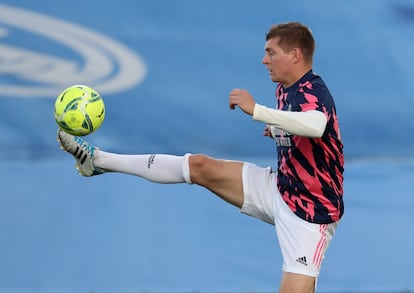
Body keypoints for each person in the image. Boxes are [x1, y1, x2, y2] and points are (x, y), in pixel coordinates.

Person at [57, 22, 344, 293]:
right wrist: (278, 126)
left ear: (295, 55)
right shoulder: (285, 88)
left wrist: (258, 111)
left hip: (310, 215)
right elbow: (301, 125)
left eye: (271, 52)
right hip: (280, 188)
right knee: (199, 166)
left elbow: (316, 124)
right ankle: (97, 161)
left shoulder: (313, 90)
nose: (264, 60)